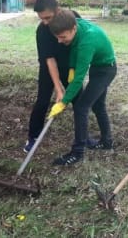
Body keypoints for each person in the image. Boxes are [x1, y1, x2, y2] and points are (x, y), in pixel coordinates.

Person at [47, 9, 117, 165]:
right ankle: (106, 142)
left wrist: (63, 101)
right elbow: (73, 46)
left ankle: (77, 153)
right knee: (98, 106)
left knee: (81, 107)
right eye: (57, 37)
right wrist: (71, 66)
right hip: (97, 67)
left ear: (73, 28)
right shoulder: (75, 25)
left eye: (62, 37)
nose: (59, 41)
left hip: (106, 70)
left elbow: (78, 80)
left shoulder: (88, 41)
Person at [25, 0, 81, 153]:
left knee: (79, 100)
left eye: (48, 17)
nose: (45, 22)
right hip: (49, 68)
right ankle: (33, 137)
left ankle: (82, 138)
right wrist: (58, 88)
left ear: (58, 10)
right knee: (42, 101)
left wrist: (74, 70)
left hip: (70, 67)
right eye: (41, 18)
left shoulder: (73, 18)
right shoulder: (42, 31)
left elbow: (81, 42)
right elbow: (49, 60)